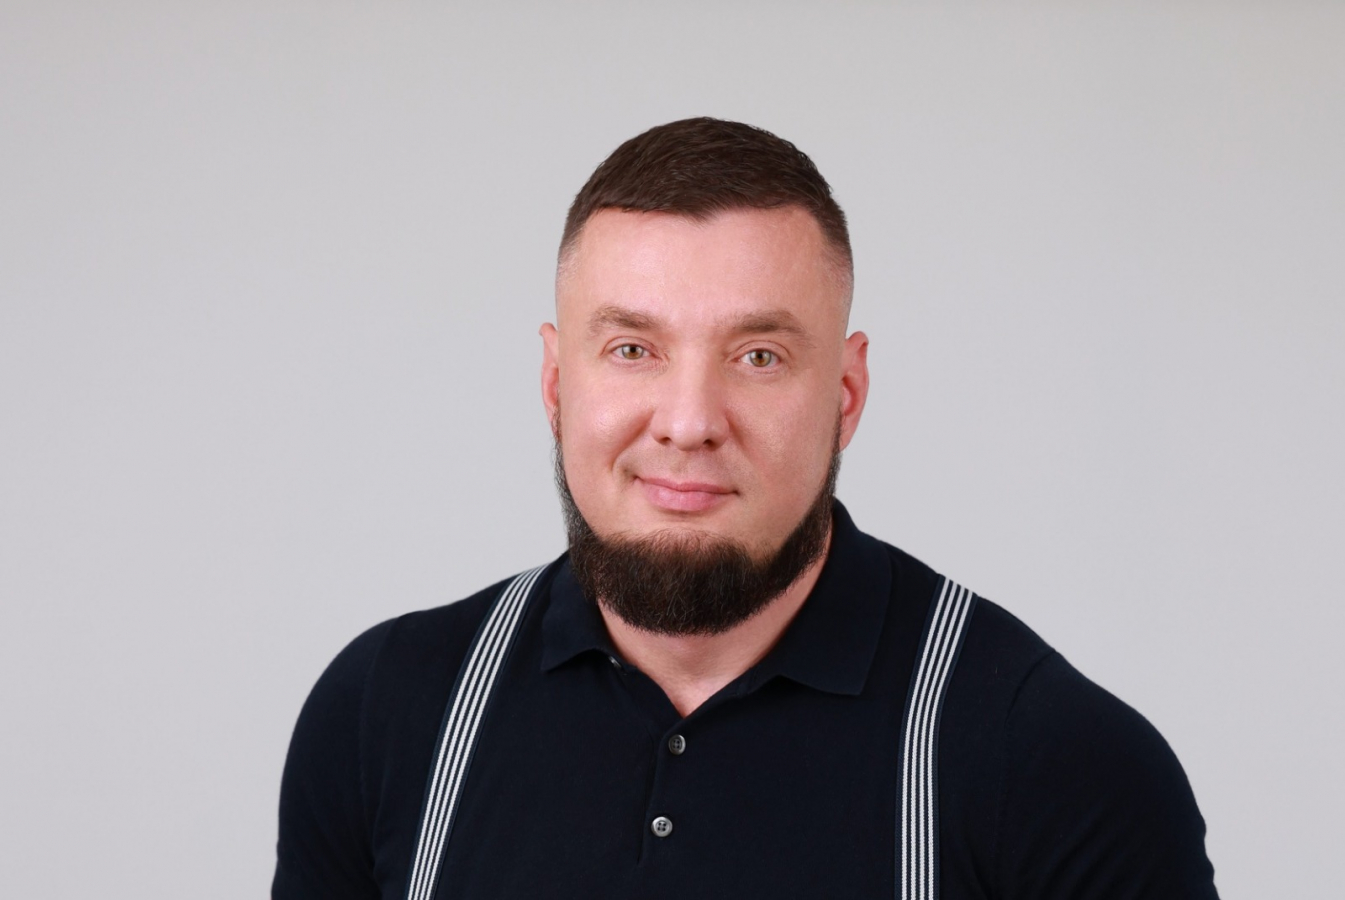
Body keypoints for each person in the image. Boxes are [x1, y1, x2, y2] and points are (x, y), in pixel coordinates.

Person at [273, 117, 1219, 899]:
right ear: (557, 383)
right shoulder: (385, 713)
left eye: (757, 356)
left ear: (844, 394)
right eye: (633, 350)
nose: (688, 423)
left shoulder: (1056, 762)